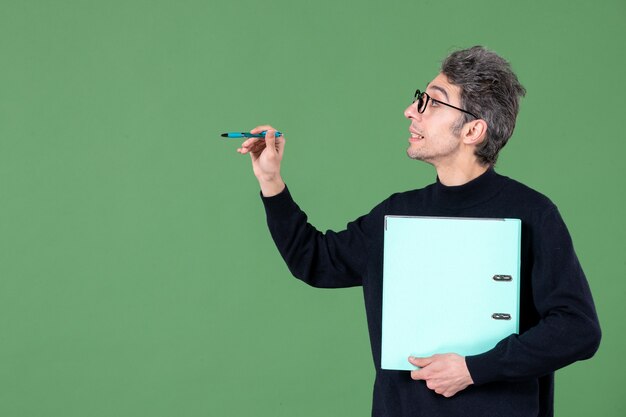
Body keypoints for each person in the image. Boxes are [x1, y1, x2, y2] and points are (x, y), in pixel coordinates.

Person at [236, 46, 601, 417]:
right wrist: (270, 179)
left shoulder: (533, 213)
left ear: (473, 130)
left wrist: (474, 369)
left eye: (433, 103)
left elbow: (578, 329)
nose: (411, 111)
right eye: (419, 99)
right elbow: (313, 260)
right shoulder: (396, 213)